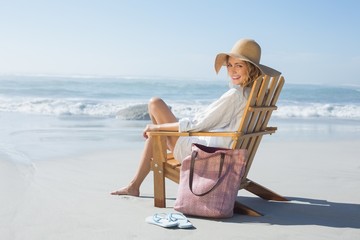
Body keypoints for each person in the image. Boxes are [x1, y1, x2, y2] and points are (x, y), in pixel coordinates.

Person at [111, 39, 280, 196]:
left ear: (251, 68)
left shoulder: (236, 95)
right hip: (220, 151)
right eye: (229, 65)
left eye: (239, 65)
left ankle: (134, 185)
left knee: (155, 104)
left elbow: (198, 124)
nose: (232, 71)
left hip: (205, 155)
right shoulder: (255, 95)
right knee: (157, 114)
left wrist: (156, 128)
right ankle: (139, 175)